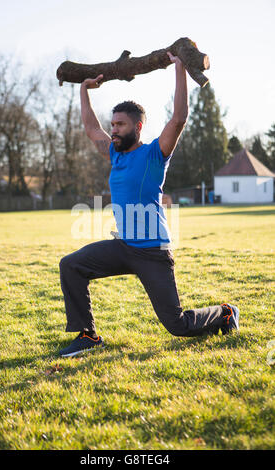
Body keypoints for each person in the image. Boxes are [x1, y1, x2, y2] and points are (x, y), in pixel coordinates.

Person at [58, 52, 239, 357]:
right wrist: (83, 90)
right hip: (124, 246)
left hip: (152, 252)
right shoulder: (114, 154)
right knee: (71, 265)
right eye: (112, 124)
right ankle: (88, 336)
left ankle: (225, 313)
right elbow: (91, 129)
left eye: (120, 125)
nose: (113, 130)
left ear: (138, 128)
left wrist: (180, 68)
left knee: (178, 324)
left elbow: (179, 118)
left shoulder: (156, 154)